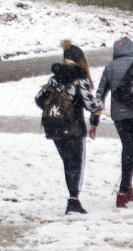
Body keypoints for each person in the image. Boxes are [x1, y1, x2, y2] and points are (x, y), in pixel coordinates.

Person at [89, 35, 133, 207]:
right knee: (132, 151)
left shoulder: (110, 67)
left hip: (119, 117)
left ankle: (127, 190)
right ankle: (123, 191)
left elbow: (100, 94)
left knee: (129, 149)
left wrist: (94, 120)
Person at [35, 41, 102, 215]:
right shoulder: (79, 78)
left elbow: (39, 98)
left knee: (67, 162)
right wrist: (100, 102)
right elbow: (91, 105)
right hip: (73, 127)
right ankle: (73, 201)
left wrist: (56, 108)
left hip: (55, 127)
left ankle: (73, 200)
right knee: (76, 163)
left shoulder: (55, 77)